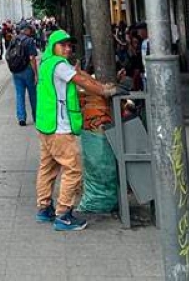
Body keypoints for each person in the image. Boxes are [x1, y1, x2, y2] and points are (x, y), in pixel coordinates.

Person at [34, 29, 118, 232]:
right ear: (53, 46)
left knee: (48, 168)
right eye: (62, 45)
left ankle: (44, 208)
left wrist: (100, 85)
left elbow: (80, 75)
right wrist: (105, 91)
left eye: (69, 45)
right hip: (59, 128)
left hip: (45, 127)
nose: (67, 48)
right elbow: (80, 81)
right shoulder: (58, 64)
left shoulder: (45, 62)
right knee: (73, 169)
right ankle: (63, 215)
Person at [8, 23, 39, 127]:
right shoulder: (29, 41)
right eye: (30, 30)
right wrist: (36, 73)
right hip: (27, 70)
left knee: (19, 94)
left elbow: (8, 54)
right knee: (33, 94)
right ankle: (36, 116)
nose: (31, 31)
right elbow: (32, 58)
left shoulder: (13, 39)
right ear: (26, 30)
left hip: (16, 71)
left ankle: (21, 118)